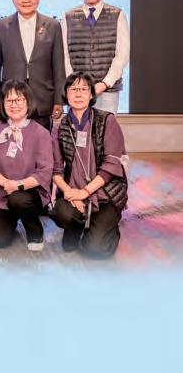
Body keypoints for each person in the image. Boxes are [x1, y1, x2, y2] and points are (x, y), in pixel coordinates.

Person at [51, 71, 128, 258]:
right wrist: (70, 192)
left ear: (91, 94)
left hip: (105, 192)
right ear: (66, 94)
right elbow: (56, 170)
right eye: (73, 89)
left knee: (95, 250)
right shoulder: (60, 127)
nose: (78, 93)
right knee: (61, 213)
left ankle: (107, 227)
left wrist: (84, 193)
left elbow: (111, 165)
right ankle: (76, 225)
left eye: (84, 89)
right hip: (74, 190)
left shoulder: (107, 120)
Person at [0, 80, 53, 251]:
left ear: (28, 101)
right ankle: (14, 217)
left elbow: (44, 172)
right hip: (2, 192)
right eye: (9, 100)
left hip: (29, 193)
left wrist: (17, 186)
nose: (14, 105)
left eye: (19, 99)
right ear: (2, 104)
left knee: (18, 199)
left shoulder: (41, 133)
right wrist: (5, 183)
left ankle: (35, 230)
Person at [0, 0, 65, 130]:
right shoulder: (1, 27)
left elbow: (59, 66)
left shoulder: (53, 26)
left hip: (43, 100)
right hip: (11, 100)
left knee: (42, 143)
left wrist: (59, 100)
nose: (26, 0)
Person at [61, 0, 130, 113]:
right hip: (77, 91)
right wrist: (75, 84)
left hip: (108, 91)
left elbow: (122, 55)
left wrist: (105, 83)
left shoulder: (118, 15)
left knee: (106, 127)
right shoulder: (68, 17)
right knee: (77, 127)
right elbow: (63, 55)